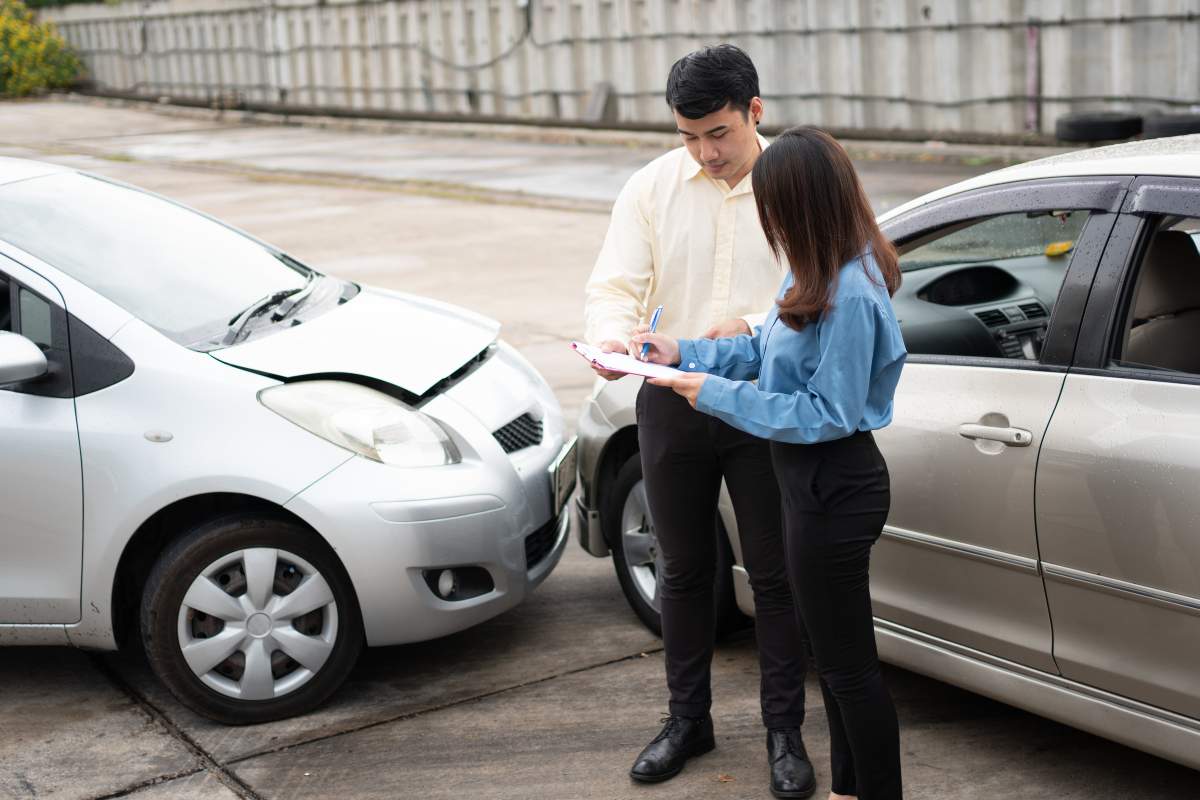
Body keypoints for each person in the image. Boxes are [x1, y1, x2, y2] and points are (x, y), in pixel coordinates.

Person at [633, 126, 907, 800]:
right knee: (840, 665)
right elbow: (766, 345)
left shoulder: (852, 293)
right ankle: (848, 791)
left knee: (848, 672)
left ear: (802, 205)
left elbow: (824, 413)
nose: (767, 219)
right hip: (809, 486)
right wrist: (685, 353)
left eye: (773, 206)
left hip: (836, 486)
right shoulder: (816, 267)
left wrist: (717, 397)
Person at [584, 45, 815, 798]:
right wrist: (614, 335)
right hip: (669, 400)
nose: (704, 153)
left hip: (762, 401)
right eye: (688, 136)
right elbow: (616, 281)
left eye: (718, 133)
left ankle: (785, 733)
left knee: (775, 576)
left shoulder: (800, 186)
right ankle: (688, 720)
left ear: (756, 111)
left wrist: (735, 332)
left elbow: (815, 291)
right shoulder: (652, 185)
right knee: (683, 571)